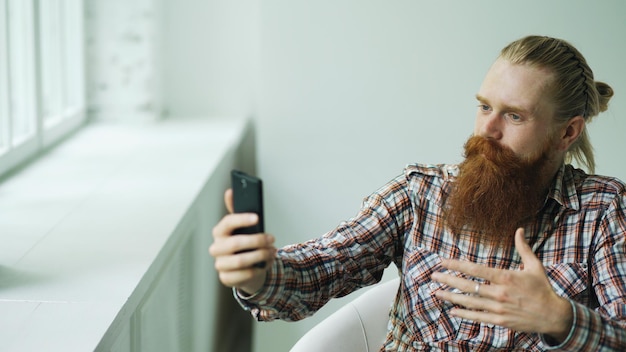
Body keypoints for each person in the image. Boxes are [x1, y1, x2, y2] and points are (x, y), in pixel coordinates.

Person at [209, 35, 625, 351]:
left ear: (567, 131)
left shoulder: (604, 210)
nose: (487, 130)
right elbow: (327, 263)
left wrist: (562, 320)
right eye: (484, 107)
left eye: (514, 115)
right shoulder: (420, 193)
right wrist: (257, 275)